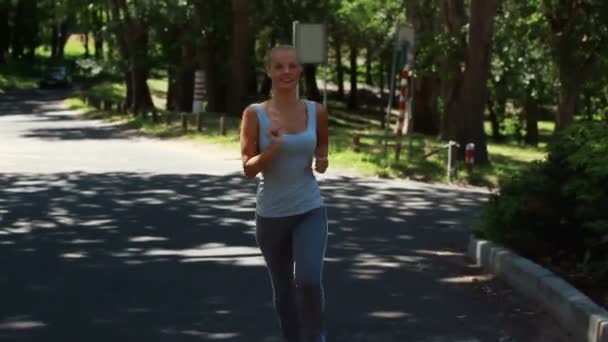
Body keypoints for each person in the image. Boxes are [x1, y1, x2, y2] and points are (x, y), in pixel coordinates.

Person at [239, 45, 330, 342]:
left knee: (307, 280)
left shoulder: (316, 111)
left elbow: (322, 147)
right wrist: (274, 148)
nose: (286, 72)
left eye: (292, 65)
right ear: (269, 71)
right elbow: (249, 168)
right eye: (279, 67)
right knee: (283, 289)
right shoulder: (254, 114)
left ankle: (315, 336)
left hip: (310, 208)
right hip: (272, 215)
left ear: (300, 70)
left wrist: (323, 159)